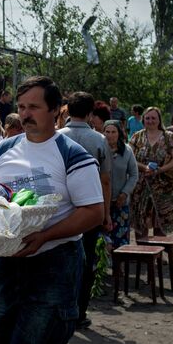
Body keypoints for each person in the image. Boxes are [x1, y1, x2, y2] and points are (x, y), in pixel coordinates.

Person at [0, 76, 103, 344]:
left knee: (36, 343)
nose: (25, 114)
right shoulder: (5, 148)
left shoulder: (73, 155)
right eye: (21, 107)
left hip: (54, 262)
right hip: (6, 258)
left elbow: (94, 212)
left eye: (33, 107)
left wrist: (45, 236)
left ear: (56, 109)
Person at [58, 91, 112, 330]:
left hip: (58, 210)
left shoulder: (56, 137)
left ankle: (58, 310)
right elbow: (106, 180)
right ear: (91, 113)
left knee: (57, 259)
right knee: (85, 260)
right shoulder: (99, 140)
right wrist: (106, 213)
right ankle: (78, 312)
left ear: (67, 110)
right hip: (89, 210)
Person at [129, 106, 173, 240]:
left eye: (153, 118)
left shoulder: (169, 136)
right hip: (140, 186)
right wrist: (144, 168)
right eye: (147, 118)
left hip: (163, 186)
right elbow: (129, 159)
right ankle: (143, 255)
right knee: (141, 218)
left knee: (161, 220)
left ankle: (158, 254)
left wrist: (160, 170)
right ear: (143, 120)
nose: (150, 121)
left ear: (159, 120)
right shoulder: (137, 136)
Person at [103, 120, 138, 249]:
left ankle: (120, 268)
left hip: (120, 202)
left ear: (119, 133)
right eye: (107, 132)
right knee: (102, 240)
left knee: (120, 240)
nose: (110, 135)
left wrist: (124, 193)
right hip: (101, 203)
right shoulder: (99, 149)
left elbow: (134, 174)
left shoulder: (127, 151)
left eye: (113, 132)